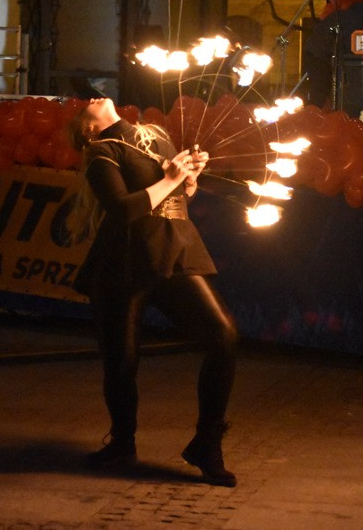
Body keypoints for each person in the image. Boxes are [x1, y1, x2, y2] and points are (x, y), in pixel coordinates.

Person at [70, 97, 239, 487]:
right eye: (84, 110)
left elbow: (176, 198)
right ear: (88, 129)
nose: (90, 99)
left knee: (224, 336)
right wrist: (173, 179)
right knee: (122, 361)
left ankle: (207, 443)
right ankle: (122, 442)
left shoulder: (155, 135)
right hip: (124, 261)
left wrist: (191, 178)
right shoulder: (101, 153)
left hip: (174, 248)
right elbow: (124, 209)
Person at [301, 1, 363, 112]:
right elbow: (350, 49)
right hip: (320, 54)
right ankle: (312, 117)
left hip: (319, 52)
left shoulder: (357, 16)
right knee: (319, 89)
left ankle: (315, 115)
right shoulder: (356, 21)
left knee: (322, 90)